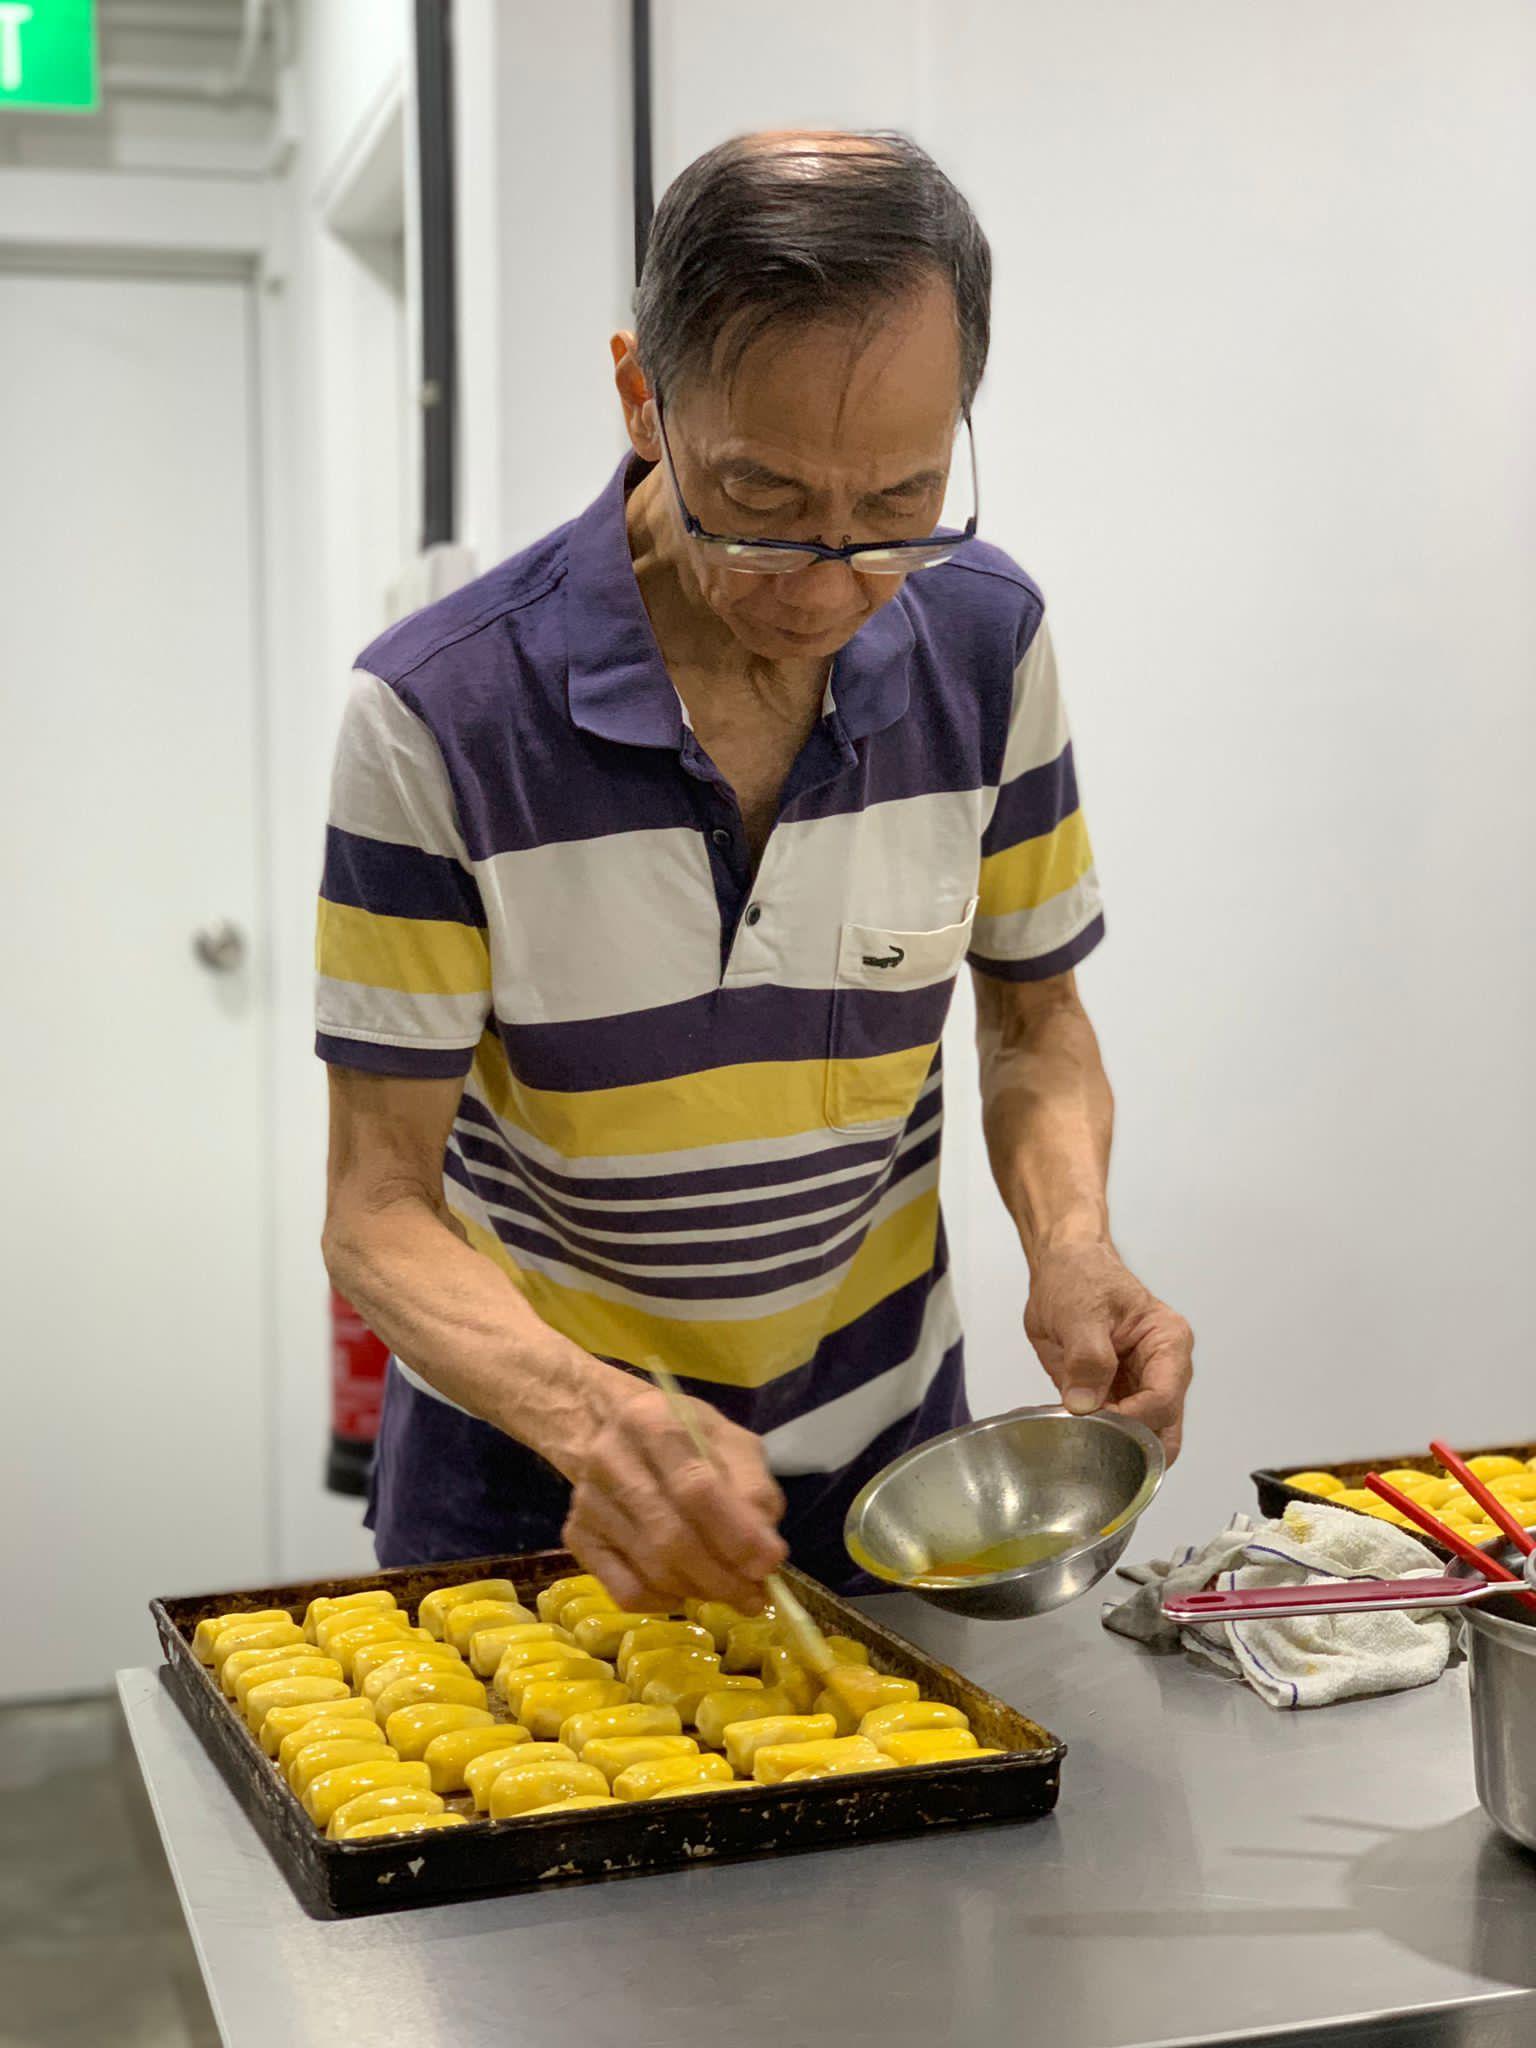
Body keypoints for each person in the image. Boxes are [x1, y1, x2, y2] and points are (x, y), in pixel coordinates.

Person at [317, 130, 1193, 1613]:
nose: (833, 580)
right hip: (545, 1487)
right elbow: (377, 1206)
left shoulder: (987, 645)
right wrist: (600, 1419)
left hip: (897, 1490)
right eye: (765, 500)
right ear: (641, 398)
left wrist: (1074, 1242)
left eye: (901, 502)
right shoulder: (440, 714)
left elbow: (1036, 1026)